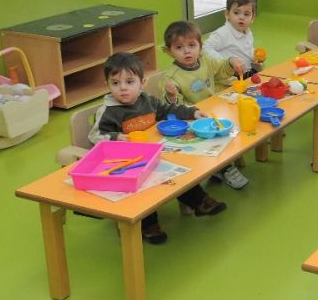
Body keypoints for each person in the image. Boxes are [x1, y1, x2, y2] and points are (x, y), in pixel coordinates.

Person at [89, 52, 227, 244]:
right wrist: (116, 137)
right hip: (129, 163)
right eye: (115, 83)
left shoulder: (147, 100)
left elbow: (169, 110)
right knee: (143, 188)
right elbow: (95, 136)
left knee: (180, 171)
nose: (122, 88)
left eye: (129, 82)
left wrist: (193, 112)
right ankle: (148, 224)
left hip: (155, 153)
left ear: (142, 83)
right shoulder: (108, 111)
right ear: (107, 84)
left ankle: (198, 202)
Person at [160, 20, 249, 190]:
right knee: (218, 136)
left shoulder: (206, 59)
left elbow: (222, 69)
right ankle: (225, 167)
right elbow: (171, 107)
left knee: (234, 125)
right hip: (190, 118)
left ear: (200, 46)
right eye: (179, 47)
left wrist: (231, 62)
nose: (187, 51)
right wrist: (171, 95)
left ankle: (223, 163)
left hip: (212, 111)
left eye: (192, 45)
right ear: (169, 51)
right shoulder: (171, 76)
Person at [203, 0, 261, 79]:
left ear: (252, 17)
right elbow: (206, 48)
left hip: (247, 72)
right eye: (236, 13)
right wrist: (228, 61)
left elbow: (247, 50)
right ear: (227, 14)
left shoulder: (248, 32)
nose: (241, 17)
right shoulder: (223, 33)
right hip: (231, 76)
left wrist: (255, 56)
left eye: (246, 14)